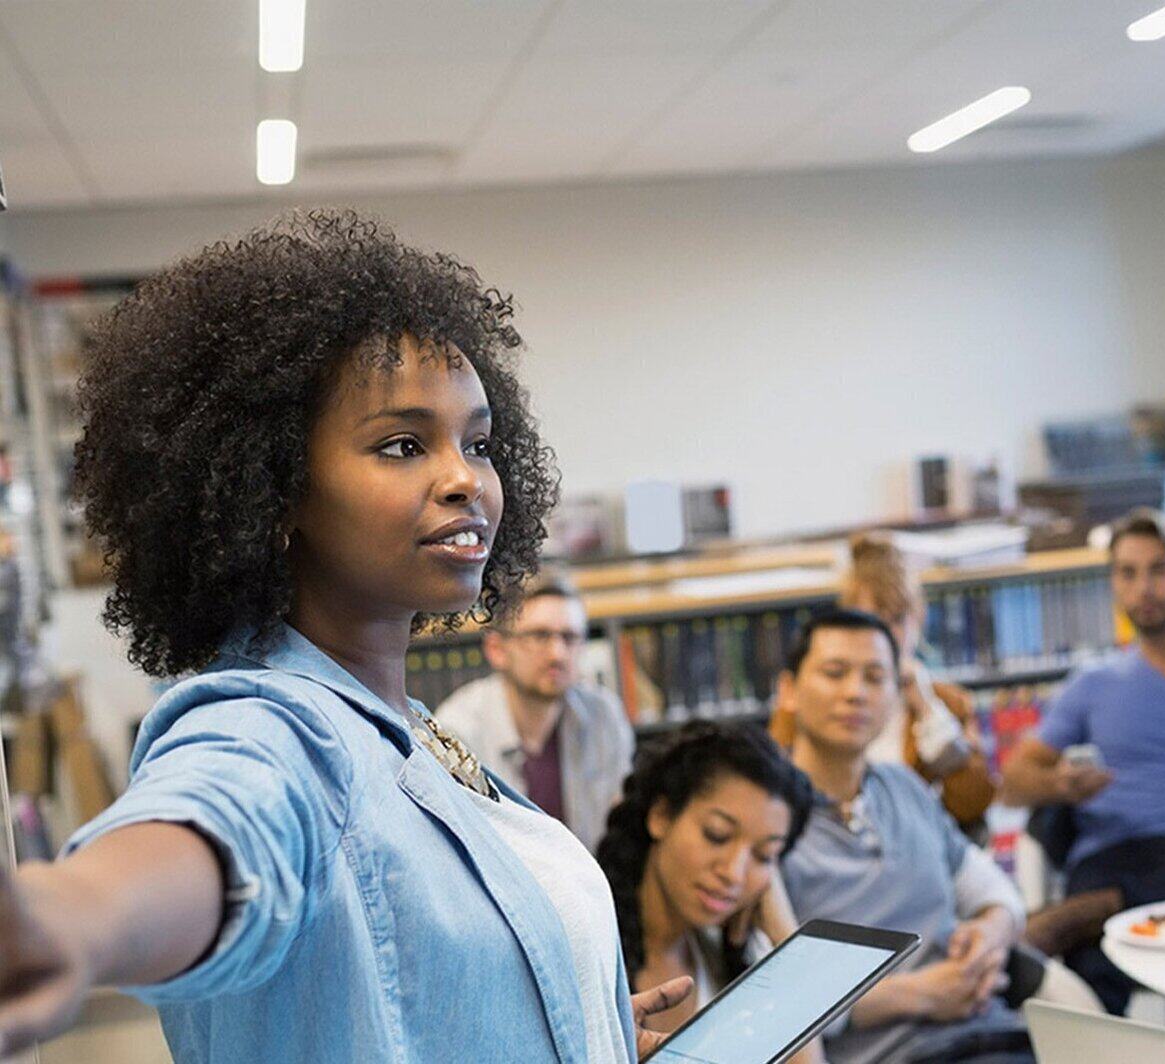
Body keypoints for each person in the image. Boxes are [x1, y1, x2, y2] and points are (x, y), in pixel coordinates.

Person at [0, 210, 690, 1062]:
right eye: (403, 445)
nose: (463, 479)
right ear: (273, 490)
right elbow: (219, 823)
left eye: (477, 442)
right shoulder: (272, 723)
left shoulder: (404, 721)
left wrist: (573, 1021)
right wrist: (73, 918)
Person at [1004, 508, 1165, 1014]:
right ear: (1114, 586)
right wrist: (1062, 785)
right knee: (1091, 975)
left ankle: (1098, 909)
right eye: (1128, 573)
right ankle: (1105, 908)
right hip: (1114, 849)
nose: (1144, 587)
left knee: (1085, 925)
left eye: (1159, 569)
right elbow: (1013, 783)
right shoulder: (1092, 684)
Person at [778, 608, 1032, 1064]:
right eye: (834, 674)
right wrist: (917, 995)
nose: (855, 693)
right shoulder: (766, 823)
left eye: (875, 677)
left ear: (897, 695)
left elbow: (996, 891)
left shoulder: (906, 789)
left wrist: (991, 931)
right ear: (789, 691)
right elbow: (767, 998)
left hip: (998, 1036)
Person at [596, 720, 824, 1063]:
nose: (733, 873)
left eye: (764, 856)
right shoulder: (588, 956)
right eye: (717, 835)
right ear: (660, 815)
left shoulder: (731, 955)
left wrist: (785, 935)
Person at [770, 533, 996, 836]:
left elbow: (971, 804)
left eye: (898, 620)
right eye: (873, 619)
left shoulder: (946, 703)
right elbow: (773, 788)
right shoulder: (814, 698)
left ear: (919, 620)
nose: (888, 636)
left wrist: (926, 707)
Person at [437, 573, 633, 851]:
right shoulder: (458, 732)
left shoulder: (604, 717)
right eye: (540, 636)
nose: (557, 654)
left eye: (570, 638)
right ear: (497, 649)